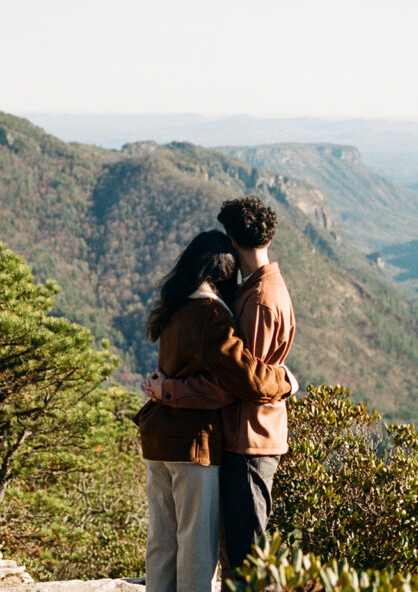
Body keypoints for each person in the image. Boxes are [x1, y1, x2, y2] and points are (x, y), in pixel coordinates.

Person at [134, 229, 294, 592]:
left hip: (159, 440)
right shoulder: (210, 313)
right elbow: (244, 380)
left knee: (162, 543)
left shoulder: (173, 305)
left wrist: (165, 391)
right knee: (196, 547)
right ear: (224, 270)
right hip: (194, 445)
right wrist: (285, 382)